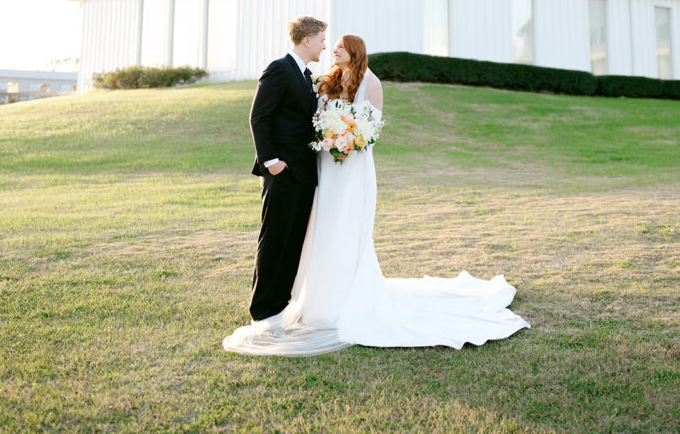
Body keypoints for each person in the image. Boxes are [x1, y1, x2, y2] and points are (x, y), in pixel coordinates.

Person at [224, 34, 530, 355]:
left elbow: (369, 130)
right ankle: (311, 295)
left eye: (341, 46)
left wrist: (345, 138)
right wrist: (325, 136)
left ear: (355, 52)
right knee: (320, 225)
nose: (334, 50)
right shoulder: (326, 80)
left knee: (345, 226)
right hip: (323, 165)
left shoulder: (371, 83)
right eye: (333, 45)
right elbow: (309, 119)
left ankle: (341, 297)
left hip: (351, 165)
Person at [247, 15, 327, 322]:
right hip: (282, 173)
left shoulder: (305, 75)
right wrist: (271, 163)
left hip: (305, 175)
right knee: (275, 240)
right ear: (307, 40)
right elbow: (259, 118)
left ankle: (279, 307)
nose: (323, 44)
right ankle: (262, 311)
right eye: (321, 39)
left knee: (293, 241)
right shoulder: (279, 69)